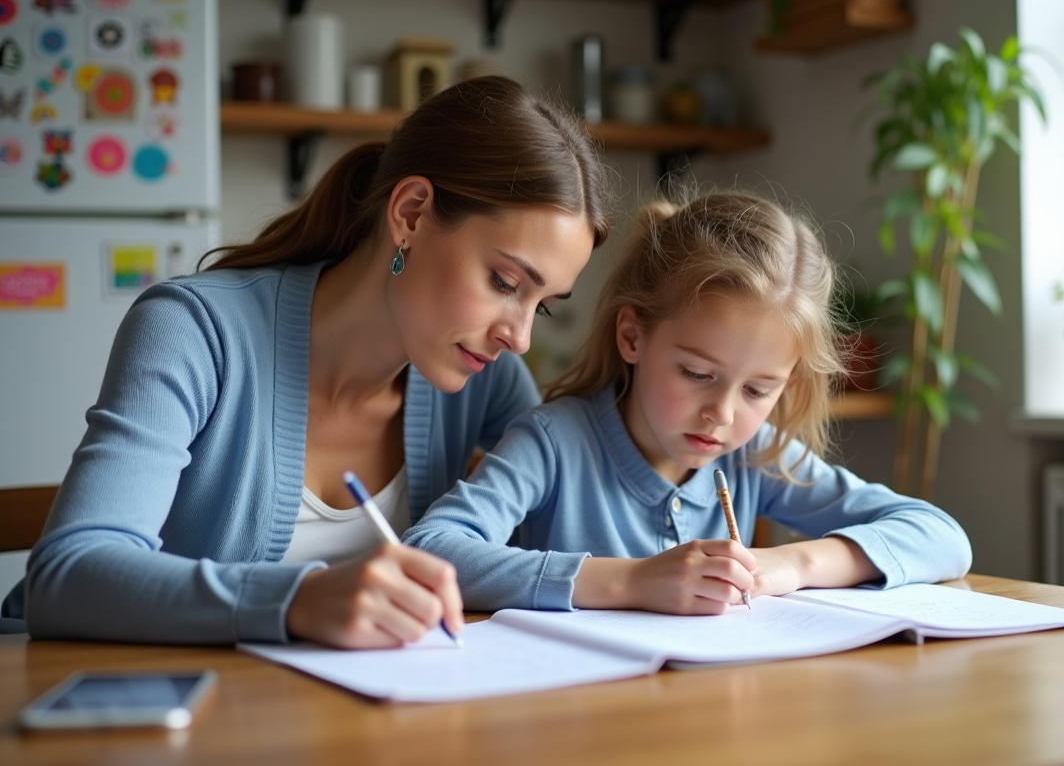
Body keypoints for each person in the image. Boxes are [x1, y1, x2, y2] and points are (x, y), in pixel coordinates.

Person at [9, 76, 611, 645]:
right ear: (411, 214)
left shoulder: (488, 374)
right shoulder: (196, 331)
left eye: (544, 306)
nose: (521, 337)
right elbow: (68, 577)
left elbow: (570, 523)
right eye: (505, 282)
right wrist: (301, 598)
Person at [403, 193, 972, 613]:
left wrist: (792, 565)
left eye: (757, 390)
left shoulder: (757, 456)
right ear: (633, 337)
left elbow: (940, 536)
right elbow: (433, 550)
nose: (722, 414)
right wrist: (630, 582)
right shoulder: (555, 443)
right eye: (697, 373)